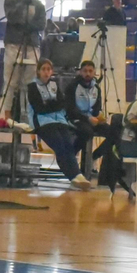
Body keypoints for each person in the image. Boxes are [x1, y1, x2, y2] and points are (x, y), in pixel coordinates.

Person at [26, 58, 90, 189]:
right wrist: (53, 105)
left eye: (48, 69)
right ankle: (74, 175)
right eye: (43, 69)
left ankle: (77, 175)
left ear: (52, 72)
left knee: (68, 144)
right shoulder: (32, 87)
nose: (46, 72)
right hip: (42, 122)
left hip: (59, 120)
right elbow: (39, 108)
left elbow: (63, 103)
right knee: (59, 145)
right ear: (38, 71)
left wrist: (50, 104)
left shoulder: (54, 85)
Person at [67, 59, 125, 197]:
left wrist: (98, 116)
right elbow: (70, 109)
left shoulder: (96, 88)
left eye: (90, 71)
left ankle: (95, 156)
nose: (88, 74)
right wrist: (87, 118)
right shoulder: (72, 86)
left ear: (94, 73)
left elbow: (96, 108)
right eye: (85, 71)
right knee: (86, 132)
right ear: (81, 72)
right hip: (75, 118)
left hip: (91, 119)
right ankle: (72, 155)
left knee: (115, 132)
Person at [0, 0, 46, 118]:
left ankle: (26, 114)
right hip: (13, 44)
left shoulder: (39, 5)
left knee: (29, 82)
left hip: (32, 45)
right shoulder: (11, 1)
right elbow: (12, 17)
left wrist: (28, 27)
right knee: (10, 81)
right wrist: (22, 3)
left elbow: (41, 25)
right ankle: (7, 114)